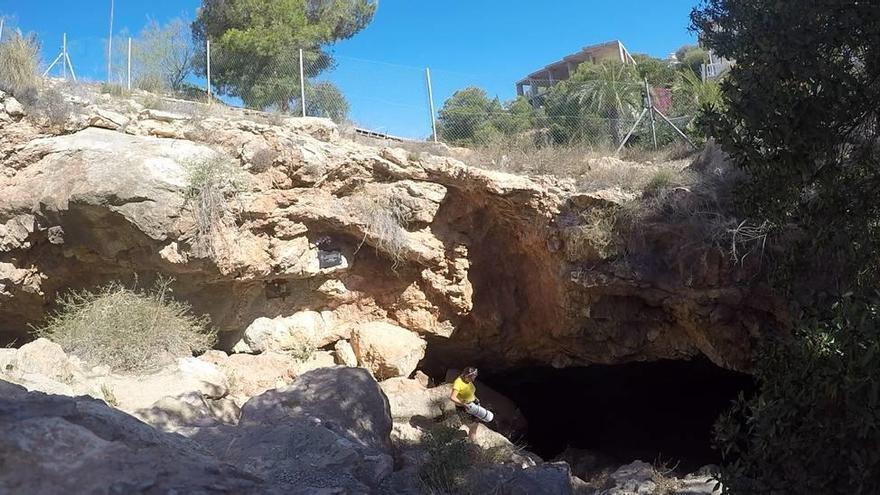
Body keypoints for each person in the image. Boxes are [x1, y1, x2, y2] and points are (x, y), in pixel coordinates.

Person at [449, 366, 480, 441]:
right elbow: (452, 397)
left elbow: (470, 392)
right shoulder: (458, 382)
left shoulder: (468, 381)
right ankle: (471, 443)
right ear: (467, 376)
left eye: (474, 377)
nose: (473, 379)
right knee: (473, 426)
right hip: (463, 408)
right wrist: (463, 404)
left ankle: (471, 441)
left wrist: (475, 398)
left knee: (475, 424)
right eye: (472, 377)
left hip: (472, 405)